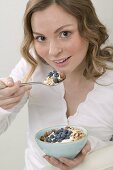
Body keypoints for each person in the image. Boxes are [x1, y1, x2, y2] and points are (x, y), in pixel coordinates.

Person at [0, 0, 113, 169]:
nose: (52, 52)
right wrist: (3, 105)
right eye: (41, 38)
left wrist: (92, 147)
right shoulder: (34, 64)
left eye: (65, 33)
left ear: (88, 28)